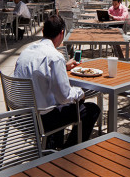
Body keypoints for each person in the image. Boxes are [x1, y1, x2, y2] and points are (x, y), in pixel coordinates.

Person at [12, 13, 101, 149]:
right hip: (42, 119)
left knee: (58, 103)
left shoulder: (26, 51)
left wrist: (63, 67)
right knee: (91, 109)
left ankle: (53, 143)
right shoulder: (55, 57)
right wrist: (80, 93)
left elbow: (37, 72)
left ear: (43, 31)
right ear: (62, 33)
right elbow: (64, 97)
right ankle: (69, 150)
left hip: (20, 115)